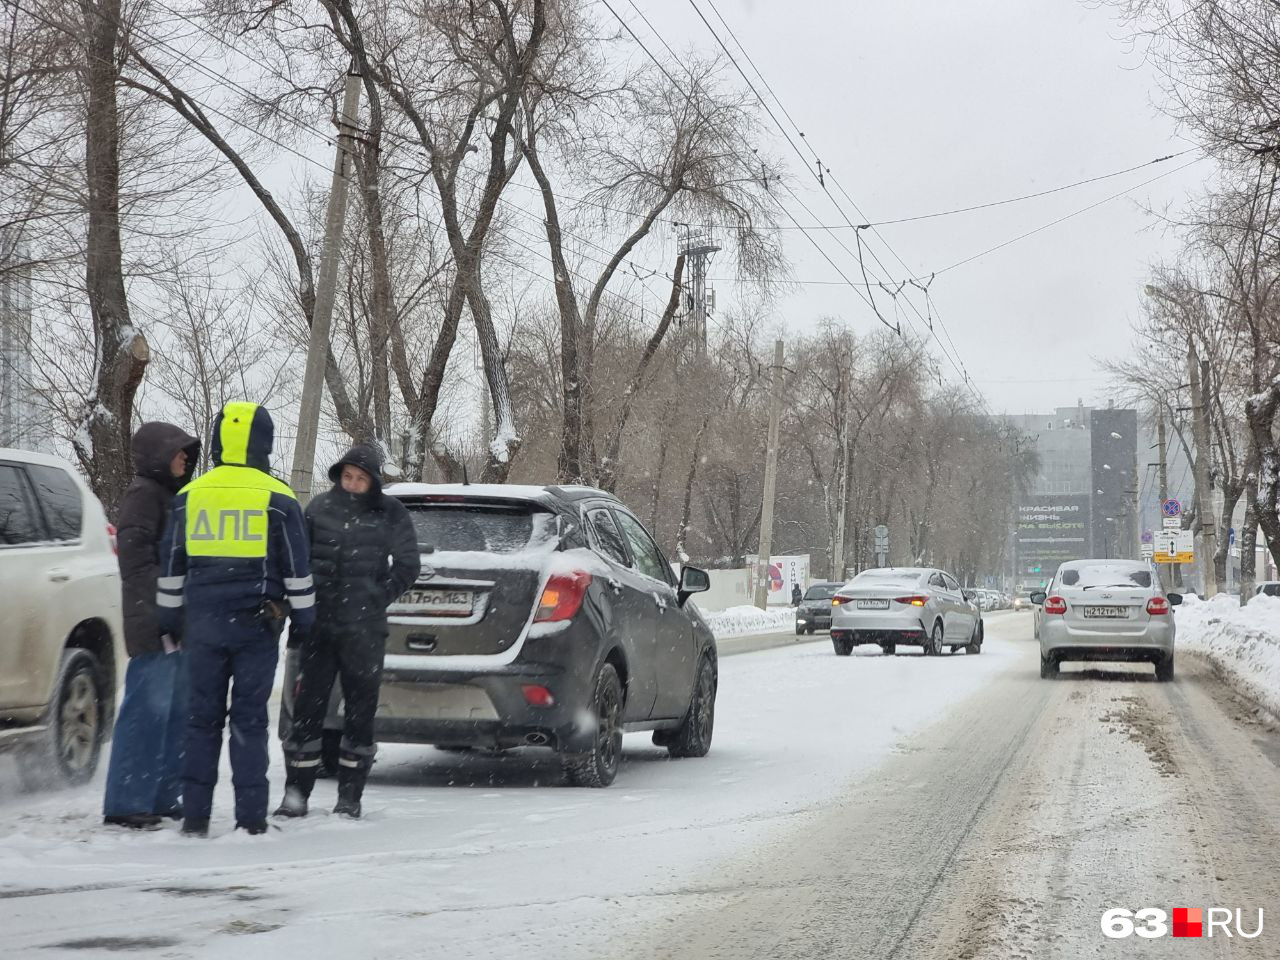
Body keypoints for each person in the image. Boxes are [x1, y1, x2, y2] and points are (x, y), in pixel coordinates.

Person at [156, 401, 315, 837]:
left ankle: (195, 818)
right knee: (249, 723)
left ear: (217, 441)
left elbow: (171, 564)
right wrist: (304, 622)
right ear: (264, 443)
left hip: (202, 628)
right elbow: (298, 571)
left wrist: (168, 617)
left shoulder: (191, 496)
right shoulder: (279, 499)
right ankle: (251, 819)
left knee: (200, 721)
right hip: (256, 627)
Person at [275, 443, 419, 820]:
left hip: (365, 632)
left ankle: (349, 798)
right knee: (307, 713)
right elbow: (298, 562)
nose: (353, 484)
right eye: (347, 476)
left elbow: (408, 565)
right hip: (318, 628)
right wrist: (299, 610)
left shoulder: (390, 513)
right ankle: (295, 797)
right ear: (339, 476)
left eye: (361, 478)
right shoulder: (319, 509)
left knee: (360, 714)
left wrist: (377, 596)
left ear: (372, 481)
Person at [102, 422, 200, 830]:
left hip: (173, 621)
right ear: (159, 454)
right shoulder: (144, 495)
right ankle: (126, 801)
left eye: (187, 453)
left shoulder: (171, 496)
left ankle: (161, 794)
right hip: (154, 621)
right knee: (145, 712)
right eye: (179, 452)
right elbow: (136, 562)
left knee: (175, 712)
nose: (185, 459)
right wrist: (167, 607)